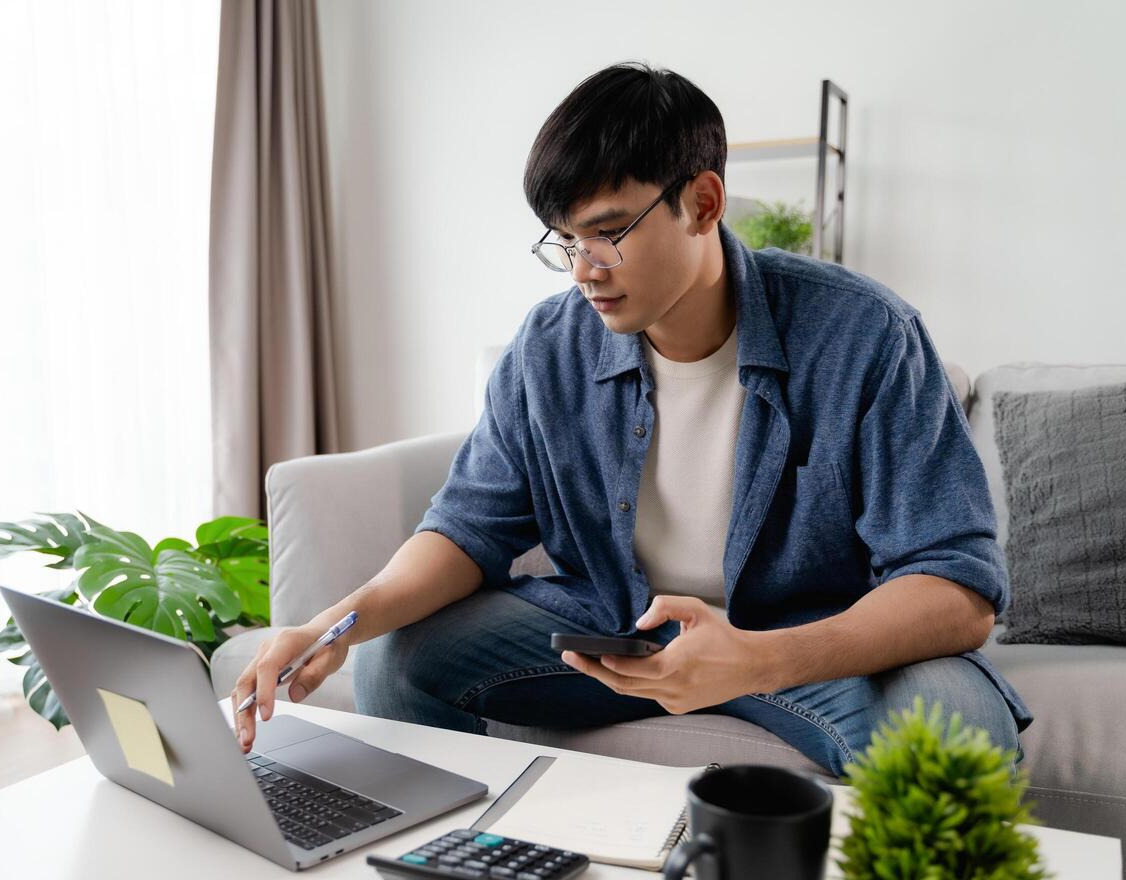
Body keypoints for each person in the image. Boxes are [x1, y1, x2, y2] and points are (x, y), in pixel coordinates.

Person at [230, 61, 1032, 778]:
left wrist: (754, 661)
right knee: (394, 662)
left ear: (703, 202)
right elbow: (467, 530)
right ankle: (475, 869)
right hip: (612, 626)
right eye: (566, 241)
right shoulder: (549, 348)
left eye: (609, 232)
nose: (585, 271)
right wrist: (330, 623)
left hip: (793, 639)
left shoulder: (864, 334)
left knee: (957, 735)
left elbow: (958, 590)